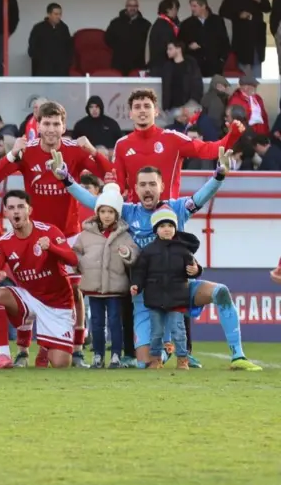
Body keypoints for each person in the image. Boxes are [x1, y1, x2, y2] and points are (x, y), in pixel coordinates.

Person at [61, 155, 260, 370]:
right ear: (135, 188)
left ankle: (238, 356)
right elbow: (94, 202)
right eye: (143, 184)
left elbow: (201, 197)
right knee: (144, 364)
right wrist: (66, 179)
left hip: (178, 289)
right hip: (147, 297)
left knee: (220, 292)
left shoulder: (176, 208)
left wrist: (218, 175)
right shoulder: (127, 212)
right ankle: (166, 351)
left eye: (152, 184)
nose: (148, 189)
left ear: (161, 186)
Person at [0, 102, 116, 366]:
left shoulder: (75, 150)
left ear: (64, 127)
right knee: (31, 289)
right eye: (46, 123)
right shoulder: (27, 151)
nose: (51, 129)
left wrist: (92, 151)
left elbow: (108, 174)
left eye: (56, 124)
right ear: (37, 125)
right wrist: (9, 156)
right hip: (33, 237)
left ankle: (75, 349)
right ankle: (23, 350)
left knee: (74, 292)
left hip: (69, 235)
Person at [0, 190, 81, 369]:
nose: (16, 212)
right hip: (29, 297)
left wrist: (51, 247)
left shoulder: (49, 231)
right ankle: (4, 355)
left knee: (61, 364)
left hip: (57, 303)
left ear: (29, 210)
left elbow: (73, 260)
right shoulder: (4, 241)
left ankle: (45, 348)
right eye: (11, 208)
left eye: (21, 207)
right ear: (5, 212)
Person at [113, 88, 242, 200]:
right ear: (130, 114)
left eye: (147, 106)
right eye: (137, 107)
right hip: (135, 220)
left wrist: (232, 136)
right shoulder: (121, 145)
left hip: (168, 218)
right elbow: (117, 187)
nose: (142, 111)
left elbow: (209, 150)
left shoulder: (173, 138)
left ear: (156, 111)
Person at [72, 184, 137, 368]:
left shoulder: (124, 235)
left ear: (117, 214)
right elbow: (75, 253)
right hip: (93, 287)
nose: (107, 215)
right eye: (103, 211)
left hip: (116, 288)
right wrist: (79, 263)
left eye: (111, 211)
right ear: (97, 212)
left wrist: (127, 254)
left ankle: (116, 355)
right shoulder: (85, 235)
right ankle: (98, 356)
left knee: (116, 323)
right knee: (97, 323)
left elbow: (134, 254)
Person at [129, 209, 200, 369]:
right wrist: (136, 285)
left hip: (177, 298)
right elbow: (140, 272)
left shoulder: (183, 250)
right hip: (155, 299)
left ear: (175, 228)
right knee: (156, 333)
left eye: (170, 225)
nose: (166, 229)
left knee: (178, 331)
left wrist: (196, 270)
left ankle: (182, 359)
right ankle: (156, 359)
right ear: (156, 230)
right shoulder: (148, 251)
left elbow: (194, 266)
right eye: (162, 226)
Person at [218, 0, 272, 79]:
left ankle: (255, 94)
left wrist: (259, 0)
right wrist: (238, 15)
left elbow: (267, 8)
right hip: (242, 38)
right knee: (243, 71)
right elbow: (223, 11)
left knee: (256, 71)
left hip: (257, 38)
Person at [178, 0, 231, 78]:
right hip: (194, 67)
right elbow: (180, 44)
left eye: (195, 6)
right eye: (191, 6)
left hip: (214, 66)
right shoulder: (186, 24)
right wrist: (189, 47)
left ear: (203, 6)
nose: (192, 9)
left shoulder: (217, 21)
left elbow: (224, 42)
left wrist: (221, 60)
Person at [104, 0, 150, 75]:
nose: (132, 8)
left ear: (137, 7)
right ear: (126, 7)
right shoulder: (115, 23)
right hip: (119, 62)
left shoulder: (146, 24)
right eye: (130, 6)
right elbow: (108, 39)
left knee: (136, 87)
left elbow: (149, 43)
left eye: (135, 6)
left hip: (138, 63)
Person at [28, 3, 73, 77]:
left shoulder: (64, 28)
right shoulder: (38, 28)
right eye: (56, 14)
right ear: (49, 14)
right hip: (43, 68)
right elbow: (32, 47)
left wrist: (67, 62)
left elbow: (69, 46)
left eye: (60, 14)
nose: (58, 16)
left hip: (60, 69)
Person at [158, 40, 203, 113]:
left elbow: (197, 85)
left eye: (170, 49)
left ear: (178, 49)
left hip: (189, 108)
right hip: (172, 109)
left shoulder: (190, 65)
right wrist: (165, 108)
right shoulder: (167, 67)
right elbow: (166, 90)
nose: (167, 51)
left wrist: (193, 103)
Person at [146, 0, 181, 77]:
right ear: (168, 10)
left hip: (160, 66)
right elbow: (168, 45)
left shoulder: (161, 23)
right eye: (175, 9)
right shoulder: (163, 26)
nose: (176, 12)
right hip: (162, 67)